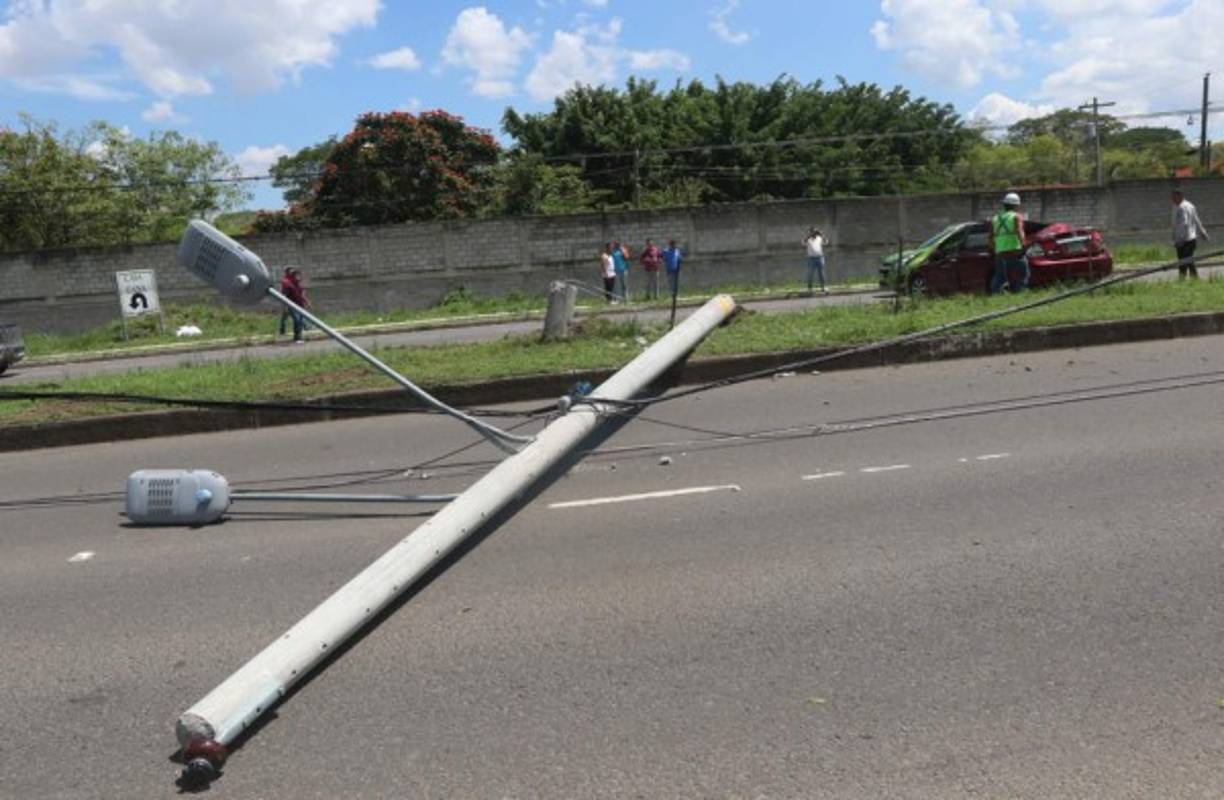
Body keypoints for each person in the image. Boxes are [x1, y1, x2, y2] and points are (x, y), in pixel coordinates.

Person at [988, 192, 1028, 293]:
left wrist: (995, 250)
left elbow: (990, 237)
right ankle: (1020, 293)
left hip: (1001, 252)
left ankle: (996, 294)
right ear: (1016, 205)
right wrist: (1024, 245)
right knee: (1022, 273)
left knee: (999, 276)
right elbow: (1019, 231)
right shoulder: (1016, 216)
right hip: (1014, 250)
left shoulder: (995, 218)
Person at [1171, 188, 1210, 279]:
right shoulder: (1190, 205)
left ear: (1180, 196)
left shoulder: (1181, 207)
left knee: (1184, 261)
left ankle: (1185, 278)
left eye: (1174, 197)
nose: (1172, 199)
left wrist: (1180, 240)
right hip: (1192, 239)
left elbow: (1184, 224)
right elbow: (1196, 219)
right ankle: (1192, 278)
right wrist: (1203, 232)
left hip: (1185, 240)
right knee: (1187, 260)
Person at [277, 267, 309, 343]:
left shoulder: (298, 284)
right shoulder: (288, 284)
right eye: (297, 276)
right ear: (293, 276)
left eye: (299, 276)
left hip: (300, 305)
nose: (299, 277)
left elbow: (301, 295)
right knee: (297, 320)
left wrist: (307, 302)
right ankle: (296, 337)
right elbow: (284, 296)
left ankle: (298, 337)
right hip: (292, 306)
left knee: (300, 321)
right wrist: (285, 306)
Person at [803, 227, 828, 294]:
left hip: (820, 257)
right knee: (810, 274)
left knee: (821, 273)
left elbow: (826, 242)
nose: (814, 233)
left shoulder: (819, 238)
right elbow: (803, 242)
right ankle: (810, 288)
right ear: (810, 232)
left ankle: (823, 287)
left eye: (815, 232)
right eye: (813, 232)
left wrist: (821, 234)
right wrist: (809, 235)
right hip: (811, 259)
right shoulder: (808, 239)